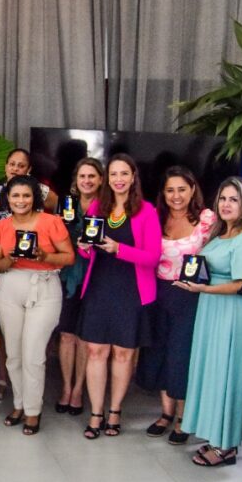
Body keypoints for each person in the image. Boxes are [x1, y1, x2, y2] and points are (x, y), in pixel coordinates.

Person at [180, 176, 242, 466]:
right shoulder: (220, 234)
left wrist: (206, 288)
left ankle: (228, 444)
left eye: (234, 199)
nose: (227, 204)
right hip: (211, 308)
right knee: (213, 371)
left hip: (235, 313)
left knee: (229, 372)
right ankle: (216, 433)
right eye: (223, 198)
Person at [77, 154, 162, 439]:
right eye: (113, 174)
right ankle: (96, 412)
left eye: (124, 173)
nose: (118, 179)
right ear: (106, 178)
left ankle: (115, 411)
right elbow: (86, 249)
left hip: (132, 290)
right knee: (95, 351)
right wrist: (84, 247)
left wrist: (119, 249)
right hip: (100, 287)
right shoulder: (98, 207)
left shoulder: (147, 211)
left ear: (133, 176)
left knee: (124, 354)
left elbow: (153, 257)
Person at [0, 175, 74, 435]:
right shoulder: (1, 226)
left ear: (34, 197)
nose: (21, 200)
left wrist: (45, 256)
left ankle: (33, 411)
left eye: (26, 195)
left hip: (44, 286)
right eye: (15, 196)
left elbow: (69, 257)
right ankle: (19, 404)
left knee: (33, 355)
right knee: (13, 354)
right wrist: (12, 258)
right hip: (11, 287)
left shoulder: (52, 221)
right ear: (8, 199)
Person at [135, 166, 215, 444]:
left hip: (190, 295)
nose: (176, 195)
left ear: (192, 189)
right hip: (158, 292)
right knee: (159, 351)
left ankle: (183, 417)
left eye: (182, 189)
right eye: (170, 190)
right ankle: (165, 413)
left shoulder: (207, 219)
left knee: (182, 355)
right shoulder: (156, 218)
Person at [0, 147, 57, 402]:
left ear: (29, 170)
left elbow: (57, 205)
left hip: (29, 271)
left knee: (30, 333)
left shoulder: (34, 193)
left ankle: (28, 386)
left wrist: (37, 193)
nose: (15, 168)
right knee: (3, 331)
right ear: (5, 166)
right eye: (11, 164)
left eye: (21, 165)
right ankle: (4, 379)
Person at [55, 157, 103, 416]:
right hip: (67, 275)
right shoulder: (66, 204)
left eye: (92, 176)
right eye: (82, 176)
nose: (87, 181)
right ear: (76, 179)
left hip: (95, 276)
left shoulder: (106, 207)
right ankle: (65, 386)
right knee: (66, 334)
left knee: (85, 336)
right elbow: (53, 234)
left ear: (101, 180)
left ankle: (78, 390)